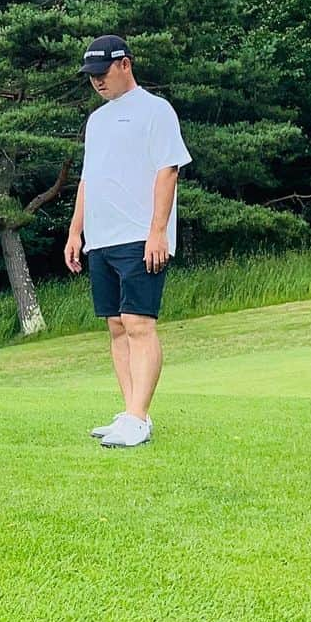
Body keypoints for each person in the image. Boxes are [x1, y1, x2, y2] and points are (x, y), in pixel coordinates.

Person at [64, 36, 192, 448]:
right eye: (91, 77)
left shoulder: (156, 110)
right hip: (101, 238)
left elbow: (167, 170)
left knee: (139, 323)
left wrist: (158, 231)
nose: (97, 83)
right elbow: (88, 179)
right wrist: (75, 231)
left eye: (102, 74)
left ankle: (139, 416)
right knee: (116, 327)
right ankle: (130, 414)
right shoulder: (96, 122)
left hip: (140, 236)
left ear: (125, 65)